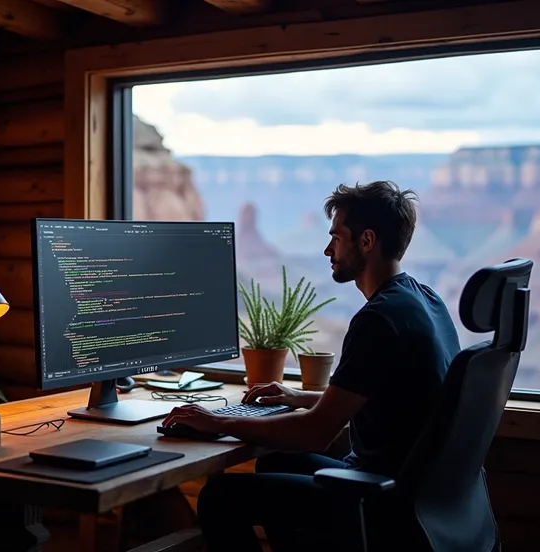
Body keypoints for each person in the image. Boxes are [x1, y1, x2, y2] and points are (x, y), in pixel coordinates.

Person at [161, 180, 461, 551]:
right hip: (412, 490)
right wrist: (298, 396)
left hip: (380, 497)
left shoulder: (379, 319)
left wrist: (216, 421)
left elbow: (314, 434)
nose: (327, 249)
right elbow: (380, 394)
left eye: (336, 237)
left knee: (218, 497)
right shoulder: (422, 298)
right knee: (273, 463)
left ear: (366, 241)